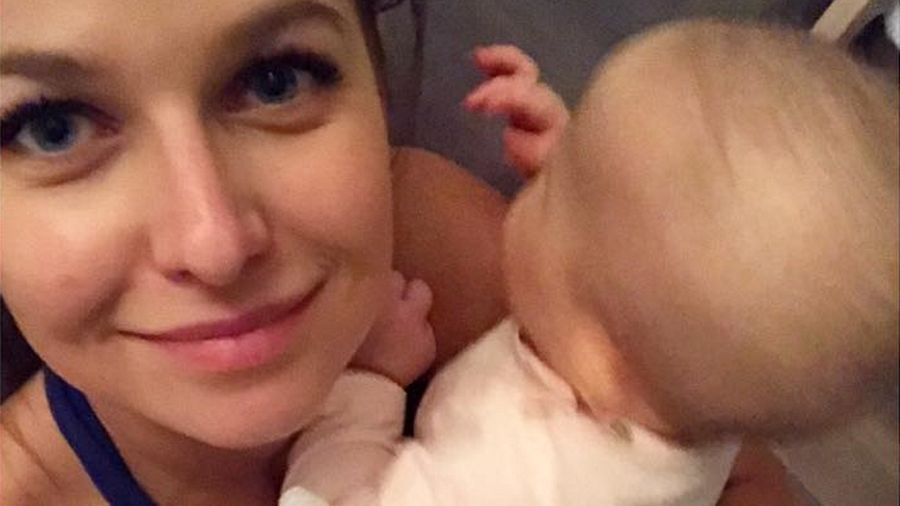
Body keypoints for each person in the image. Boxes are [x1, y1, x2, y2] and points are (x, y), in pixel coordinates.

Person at [0, 1, 802, 504]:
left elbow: (731, 463)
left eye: (278, 80)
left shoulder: (440, 246)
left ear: (377, 90)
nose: (215, 245)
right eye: (51, 129)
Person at [280, 19, 899, 506]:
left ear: (601, 352)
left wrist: (372, 383)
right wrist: (573, 165)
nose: (543, 180)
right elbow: (660, 246)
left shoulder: (509, 479)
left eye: (558, 193)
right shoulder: (686, 384)